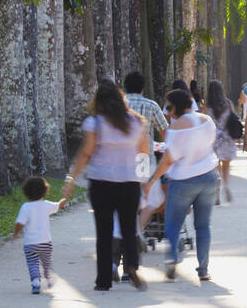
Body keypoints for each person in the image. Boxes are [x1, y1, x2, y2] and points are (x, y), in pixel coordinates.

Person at [62, 80, 151, 291]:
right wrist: (144, 181)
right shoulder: (135, 122)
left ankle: (103, 280)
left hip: (102, 183)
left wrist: (71, 179)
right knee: (129, 228)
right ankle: (131, 266)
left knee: (104, 232)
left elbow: (86, 152)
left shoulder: (95, 123)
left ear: (99, 101)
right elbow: (144, 152)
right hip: (129, 183)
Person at [144, 89, 219, 281]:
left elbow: (168, 160)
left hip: (183, 180)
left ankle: (171, 259)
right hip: (209, 176)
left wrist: (152, 180)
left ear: (176, 106)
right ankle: (203, 270)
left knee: (172, 222)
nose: (167, 112)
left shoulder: (176, 129)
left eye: (168, 108)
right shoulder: (207, 121)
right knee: (203, 226)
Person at [12, 176, 69, 294]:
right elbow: (59, 205)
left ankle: (36, 281)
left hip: (30, 243)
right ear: (45, 191)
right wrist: (66, 196)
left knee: (32, 263)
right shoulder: (46, 204)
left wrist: (15, 234)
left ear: (25, 192)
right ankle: (49, 277)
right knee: (46, 262)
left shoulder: (25, 207)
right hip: (46, 242)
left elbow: (20, 223)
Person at [205, 80, 238, 203]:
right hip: (227, 138)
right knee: (226, 166)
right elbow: (234, 120)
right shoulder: (228, 104)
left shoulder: (207, 107)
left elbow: (203, 123)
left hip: (213, 140)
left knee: (215, 167)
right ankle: (227, 186)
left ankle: (217, 193)